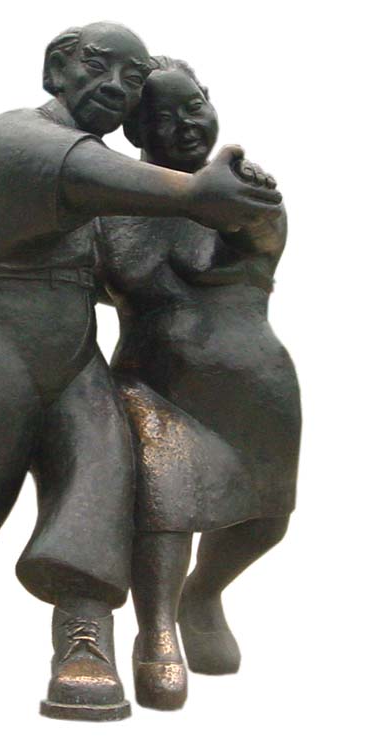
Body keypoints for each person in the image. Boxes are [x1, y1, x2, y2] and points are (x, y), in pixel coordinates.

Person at [0, 26, 282, 720]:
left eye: (132, 79)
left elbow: (154, 259)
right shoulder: (17, 138)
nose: (115, 85)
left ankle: (84, 636)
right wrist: (195, 190)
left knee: (101, 467)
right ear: (58, 68)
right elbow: (90, 174)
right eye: (99, 66)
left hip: (71, 342)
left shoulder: (109, 182)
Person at [95, 56, 300, 710]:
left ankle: (202, 593)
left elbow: (265, 231)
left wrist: (246, 204)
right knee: (168, 505)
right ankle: (156, 631)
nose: (184, 125)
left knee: (266, 520)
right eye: (162, 118)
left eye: (193, 107)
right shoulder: (110, 206)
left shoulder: (243, 187)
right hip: (157, 383)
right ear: (134, 133)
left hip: (255, 384)